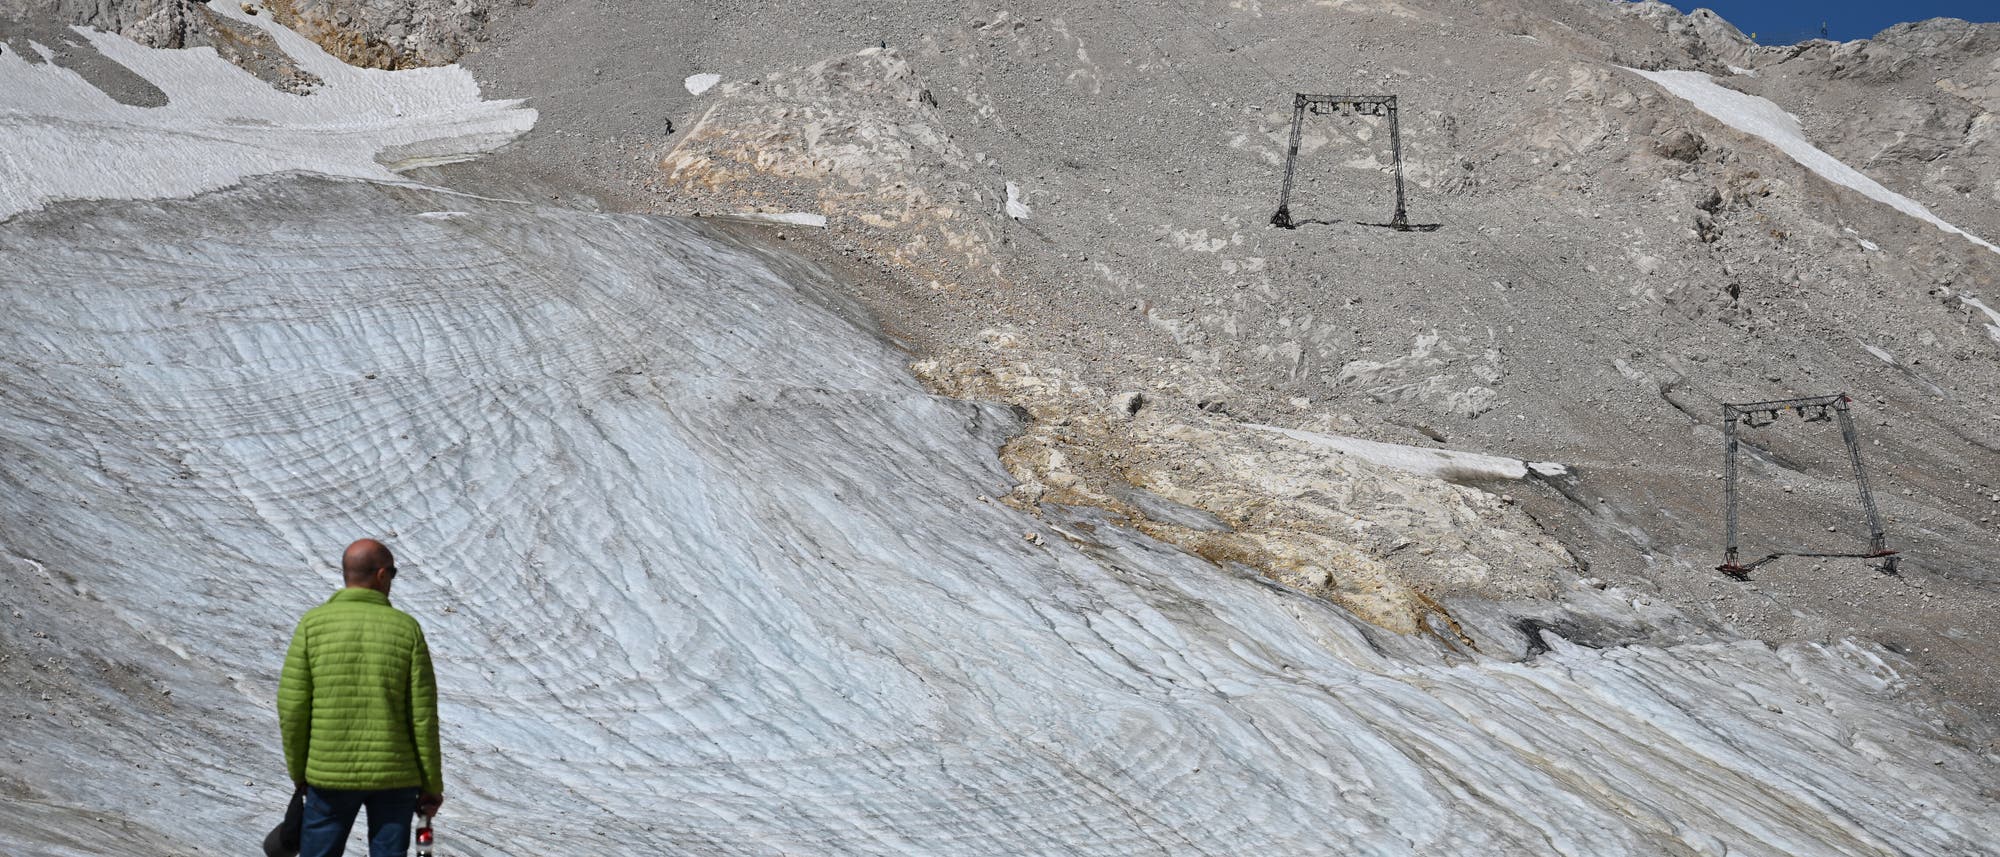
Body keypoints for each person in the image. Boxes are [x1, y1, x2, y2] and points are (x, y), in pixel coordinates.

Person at [278, 539, 445, 857]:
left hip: (328, 772)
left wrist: (301, 772)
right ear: (382, 575)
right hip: (395, 776)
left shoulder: (312, 626)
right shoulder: (406, 630)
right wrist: (431, 785)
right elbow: (422, 717)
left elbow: (293, 707)